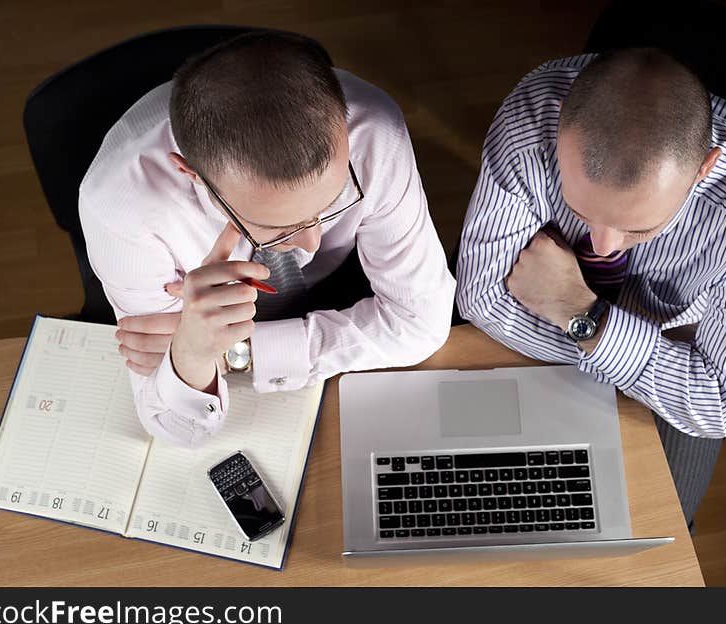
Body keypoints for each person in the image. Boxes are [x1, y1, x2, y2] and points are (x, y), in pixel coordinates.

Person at [456, 48, 726, 527]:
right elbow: (481, 297)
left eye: (636, 229)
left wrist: (586, 317)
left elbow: (720, 403)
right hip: (643, 350)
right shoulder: (532, 118)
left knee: (658, 525)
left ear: (704, 168)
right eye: (581, 211)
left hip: (673, 330)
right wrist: (644, 364)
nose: (602, 243)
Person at [79, 31, 455, 446]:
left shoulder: (373, 130)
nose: (313, 243)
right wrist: (192, 353)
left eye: (332, 203)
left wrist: (222, 353)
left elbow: (421, 324)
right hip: (212, 310)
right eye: (279, 228)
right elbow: (177, 428)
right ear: (192, 175)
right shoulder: (119, 206)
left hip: (335, 288)